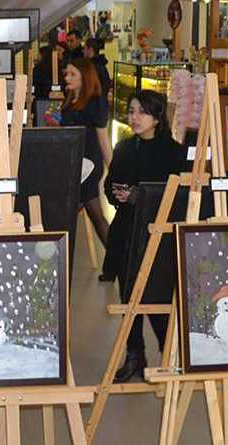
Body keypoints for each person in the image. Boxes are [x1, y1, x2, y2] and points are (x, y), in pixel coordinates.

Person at [103, 91, 186, 382]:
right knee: (129, 297)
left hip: (159, 236)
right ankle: (135, 354)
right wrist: (117, 195)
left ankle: (169, 353)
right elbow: (108, 184)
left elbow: (180, 196)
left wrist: (141, 196)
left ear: (157, 116)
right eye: (132, 111)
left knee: (158, 296)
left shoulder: (174, 153)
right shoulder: (125, 148)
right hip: (126, 232)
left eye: (142, 112)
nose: (134, 117)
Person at [50, 58, 111, 277]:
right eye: (66, 74)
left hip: (88, 165)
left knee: (77, 212)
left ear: (85, 76)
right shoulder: (69, 100)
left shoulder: (97, 102)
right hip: (74, 162)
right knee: (95, 214)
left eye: (72, 74)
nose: (67, 78)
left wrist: (113, 169)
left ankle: (115, 262)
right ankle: (115, 262)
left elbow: (103, 139)